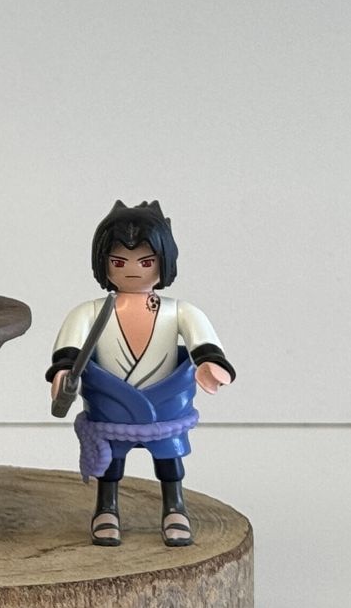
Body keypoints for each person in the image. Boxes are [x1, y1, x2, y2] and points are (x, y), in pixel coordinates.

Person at [47, 200, 235, 547]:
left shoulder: (178, 311)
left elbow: (202, 340)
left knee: (169, 460)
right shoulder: (91, 312)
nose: (133, 270)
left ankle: (175, 506)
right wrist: (63, 372)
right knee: (110, 462)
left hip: (165, 404)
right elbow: (70, 348)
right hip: (110, 404)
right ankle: (106, 508)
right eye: (119, 262)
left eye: (146, 262)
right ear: (103, 263)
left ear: (164, 263)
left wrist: (210, 362)